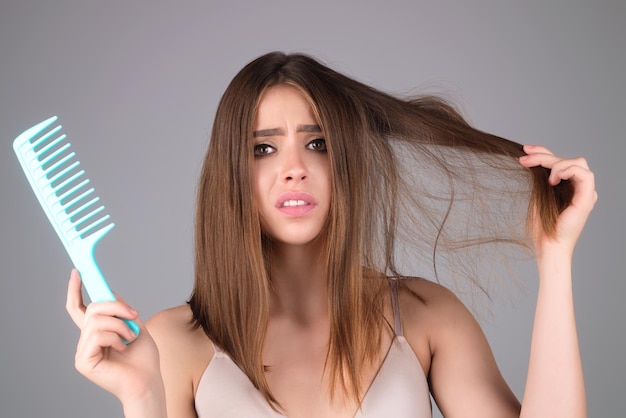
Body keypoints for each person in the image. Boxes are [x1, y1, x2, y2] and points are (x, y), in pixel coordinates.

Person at [66, 51, 596, 418]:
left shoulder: (425, 316)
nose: (294, 168)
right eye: (263, 148)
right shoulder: (174, 343)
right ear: (230, 174)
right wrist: (139, 395)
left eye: (317, 143)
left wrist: (555, 258)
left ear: (347, 162)